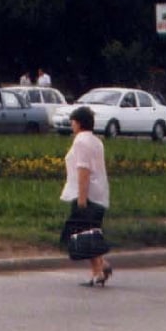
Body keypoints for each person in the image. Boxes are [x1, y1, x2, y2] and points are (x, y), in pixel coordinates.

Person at [60, 105, 112, 287]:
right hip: (99, 193)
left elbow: (83, 170)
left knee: (81, 234)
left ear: (79, 123)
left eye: (73, 121)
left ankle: (100, 269)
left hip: (86, 194)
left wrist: (82, 198)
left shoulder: (81, 141)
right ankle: (100, 269)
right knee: (90, 233)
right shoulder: (96, 141)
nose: (71, 125)